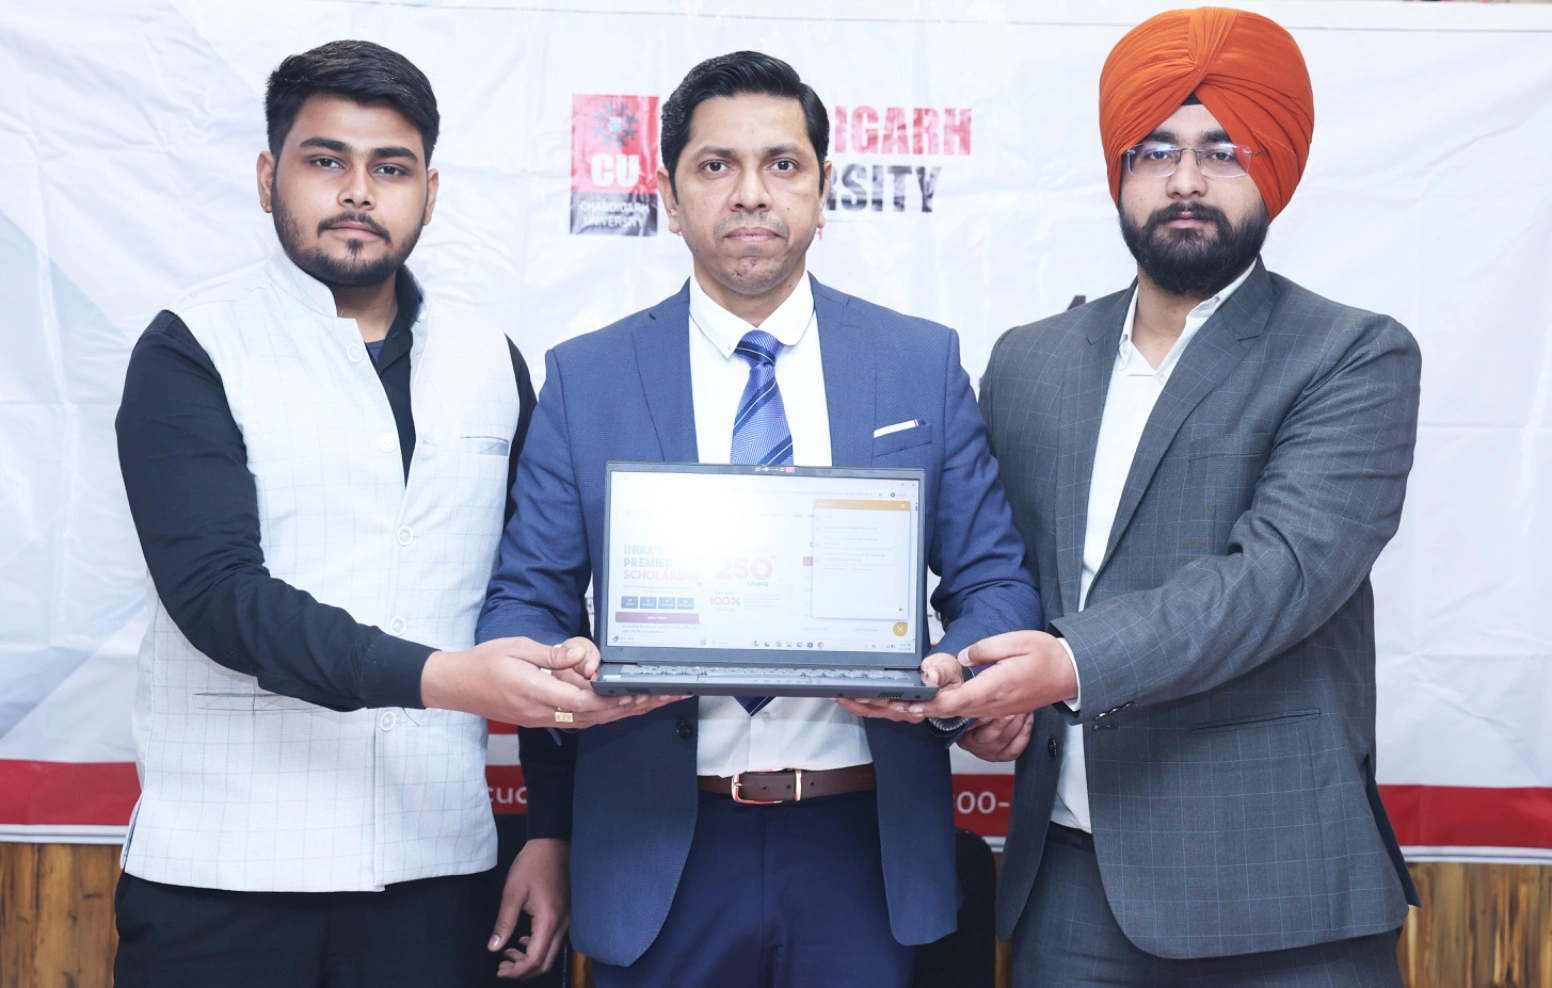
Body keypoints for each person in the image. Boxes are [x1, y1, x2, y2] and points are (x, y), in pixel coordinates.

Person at [477, 50, 1041, 988]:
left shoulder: (917, 363)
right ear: (669, 197)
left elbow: (994, 581)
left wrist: (952, 671)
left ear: (824, 190)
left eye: (782, 164)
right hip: (657, 845)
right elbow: (522, 603)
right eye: (716, 165)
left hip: (862, 843)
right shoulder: (587, 377)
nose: (750, 192)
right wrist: (563, 670)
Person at [112, 40, 668, 988]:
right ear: (268, 177)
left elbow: (531, 596)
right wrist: (443, 678)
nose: (358, 192)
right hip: (224, 873)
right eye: (325, 160)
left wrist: (550, 830)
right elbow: (217, 597)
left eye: (391, 168)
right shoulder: (191, 348)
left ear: (430, 192)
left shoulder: (489, 360)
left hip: (436, 867)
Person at [921, 8, 1423, 985]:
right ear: (1119, 170)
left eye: (1221, 151)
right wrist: (977, 694)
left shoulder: (1352, 355)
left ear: (1272, 170)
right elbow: (993, 577)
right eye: (1156, 150)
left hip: (1279, 898)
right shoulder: (1028, 362)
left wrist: (1062, 665)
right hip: (1069, 891)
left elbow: (1275, 579)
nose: (1186, 179)